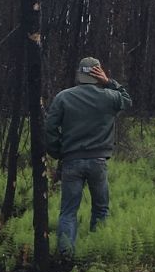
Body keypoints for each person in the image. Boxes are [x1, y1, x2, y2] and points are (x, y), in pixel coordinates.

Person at [44, 57, 132, 256]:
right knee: (101, 209)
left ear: (79, 74)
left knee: (68, 212)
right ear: (98, 73)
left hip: (71, 161)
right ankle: (97, 253)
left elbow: (49, 128)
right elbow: (127, 99)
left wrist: (58, 152)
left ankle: (66, 255)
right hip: (98, 162)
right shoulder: (109, 96)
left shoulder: (64, 97)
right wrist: (109, 82)